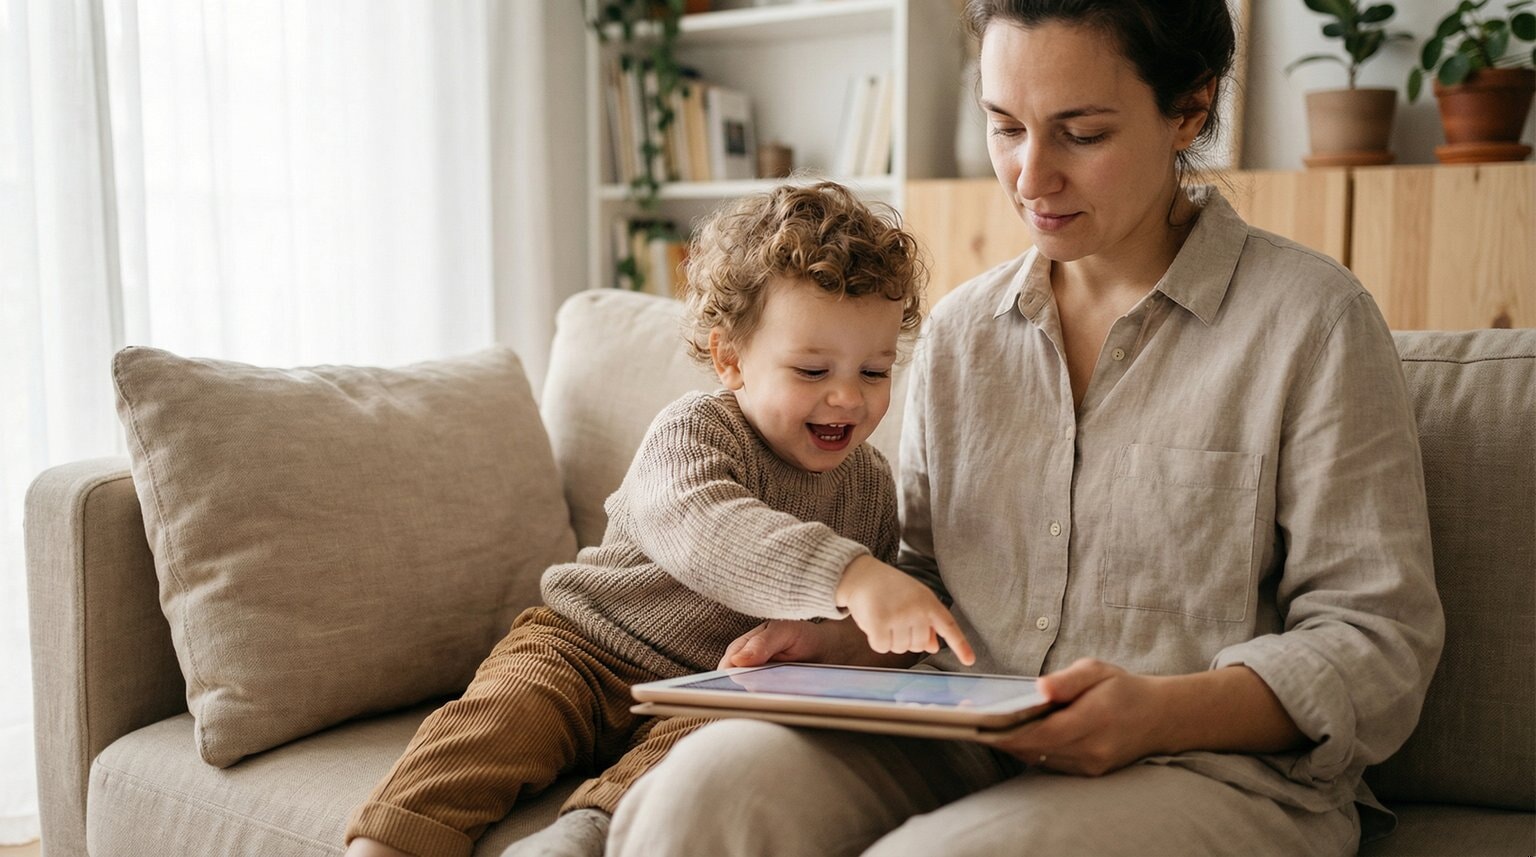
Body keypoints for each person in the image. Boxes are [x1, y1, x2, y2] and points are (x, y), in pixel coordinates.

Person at [607, 2, 1444, 855]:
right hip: (955, 736)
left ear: (1189, 108)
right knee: (697, 797)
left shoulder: (1313, 322)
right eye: (1005, 127)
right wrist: (833, 641)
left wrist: (1159, 713)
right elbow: (934, 579)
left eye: (1080, 134)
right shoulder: (963, 331)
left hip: (1202, 766)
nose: (1030, 177)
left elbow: (1378, 643)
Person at [342, 181, 974, 857]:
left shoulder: (873, 490)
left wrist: (877, 626)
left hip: (711, 685)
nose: (847, 396)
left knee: (716, 747)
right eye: (813, 368)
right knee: (495, 721)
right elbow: (708, 529)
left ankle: (583, 836)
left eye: (875, 372)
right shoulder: (693, 431)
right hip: (582, 647)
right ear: (731, 359)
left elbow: (862, 634)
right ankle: (389, 844)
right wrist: (850, 575)